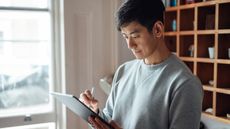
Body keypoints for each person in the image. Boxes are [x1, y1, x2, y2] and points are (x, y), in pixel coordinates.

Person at [80, 0, 203, 128]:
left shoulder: (185, 84)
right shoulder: (123, 71)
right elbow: (110, 118)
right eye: (125, 36)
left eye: (135, 36)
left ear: (157, 29)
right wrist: (95, 113)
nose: (129, 45)